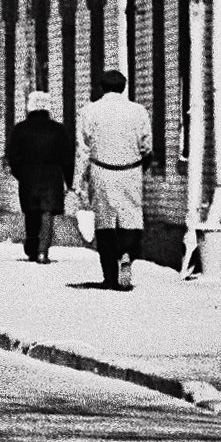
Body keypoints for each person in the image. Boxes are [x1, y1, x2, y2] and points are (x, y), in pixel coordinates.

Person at [80, 69, 154, 288]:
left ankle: (110, 276)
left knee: (105, 223)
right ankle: (127, 254)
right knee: (131, 218)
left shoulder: (89, 111)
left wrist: (80, 179)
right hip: (130, 170)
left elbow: (83, 147)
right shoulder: (138, 111)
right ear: (124, 87)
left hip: (101, 171)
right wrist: (141, 166)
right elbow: (146, 145)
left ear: (102, 88)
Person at [8, 90, 74, 264]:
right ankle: (42, 251)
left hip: (28, 177)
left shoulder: (20, 129)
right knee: (47, 214)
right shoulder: (58, 129)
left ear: (30, 107)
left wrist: (21, 174)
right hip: (52, 178)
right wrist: (69, 181)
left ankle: (31, 246)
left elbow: (13, 157)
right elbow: (68, 158)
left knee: (31, 213)